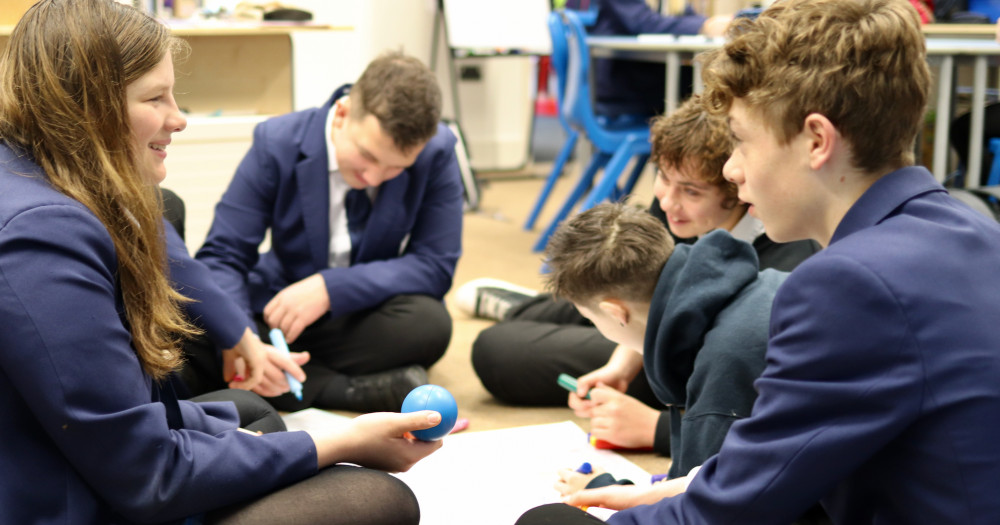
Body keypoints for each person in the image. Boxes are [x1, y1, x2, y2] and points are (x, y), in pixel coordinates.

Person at [517, 0, 1000, 522]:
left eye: (742, 142)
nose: (732, 169)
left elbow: (728, 513)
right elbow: (789, 461)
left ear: (817, 141)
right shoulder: (971, 227)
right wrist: (668, 489)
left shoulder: (847, 283)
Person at [0, 2, 443, 523]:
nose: (179, 118)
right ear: (88, 108)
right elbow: (148, 473)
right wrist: (339, 440)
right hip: (70, 493)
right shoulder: (42, 234)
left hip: (83, 449)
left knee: (258, 413)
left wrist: (250, 333)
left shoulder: (43, 174)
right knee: (380, 500)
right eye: (155, 98)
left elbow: (435, 265)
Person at [467, 96, 819, 457]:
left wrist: (657, 429)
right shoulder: (676, 208)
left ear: (739, 189)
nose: (667, 202)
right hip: (643, 318)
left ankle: (556, 311)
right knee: (578, 293)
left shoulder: (789, 255)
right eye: (663, 178)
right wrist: (620, 366)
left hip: (680, 350)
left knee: (499, 350)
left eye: (691, 191)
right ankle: (539, 306)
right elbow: (643, 293)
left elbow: (749, 408)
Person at [187, 51, 465, 413]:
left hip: (362, 309)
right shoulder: (277, 141)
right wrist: (247, 341)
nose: (374, 178)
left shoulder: (438, 151)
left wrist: (330, 288)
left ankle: (290, 381)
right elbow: (223, 255)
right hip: (278, 311)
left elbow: (435, 265)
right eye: (367, 156)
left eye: (396, 168)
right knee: (203, 328)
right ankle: (346, 390)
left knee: (429, 326)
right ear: (343, 114)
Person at [541, 201, 785, 489]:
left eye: (591, 319)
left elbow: (706, 508)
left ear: (614, 313)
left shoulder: (725, 364)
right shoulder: (759, 285)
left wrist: (605, 491)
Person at [565, 0, 732, 118]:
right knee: (713, 84)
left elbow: (683, 13)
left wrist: (710, 23)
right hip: (620, 82)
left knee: (713, 80)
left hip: (644, 75)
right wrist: (705, 26)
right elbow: (643, 22)